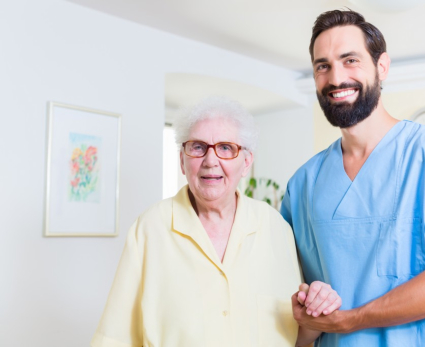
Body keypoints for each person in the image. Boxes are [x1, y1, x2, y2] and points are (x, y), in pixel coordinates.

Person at [281, 10, 425, 347]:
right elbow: (294, 303)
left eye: (350, 60)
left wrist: (349, 321)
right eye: (323, 66)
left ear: (382, 67)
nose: (336, 78)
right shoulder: (303, 184)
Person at [91, 96, 340, 347]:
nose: (211, 161)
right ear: (182, 161)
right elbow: (114, 338)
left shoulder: (276, 228)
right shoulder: (149, 229)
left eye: (225, 148)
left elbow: (295, 336)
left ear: (246, 162)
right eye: (198, 147)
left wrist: (315, 314)